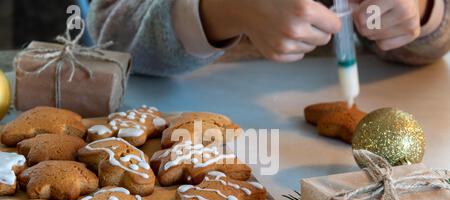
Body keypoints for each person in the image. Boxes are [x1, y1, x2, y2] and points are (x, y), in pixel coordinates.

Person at [88, 0, 450, 76]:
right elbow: (113, 35)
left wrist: (420, 9)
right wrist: (228, 11)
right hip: (202, 135)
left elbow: (433, 43)